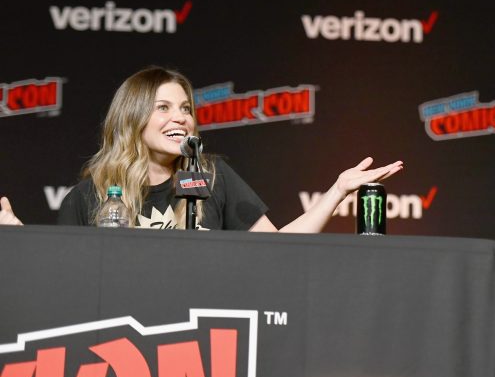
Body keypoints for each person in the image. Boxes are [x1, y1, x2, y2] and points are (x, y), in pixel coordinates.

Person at [0, 67, 402, 231]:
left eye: (186, 108)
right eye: (163, 108)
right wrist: (22, 244)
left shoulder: (212, 176)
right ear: (132, 118)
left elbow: (277, 247)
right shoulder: (89, 196)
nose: (181, 118)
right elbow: (65, 281)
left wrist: (335, 192)